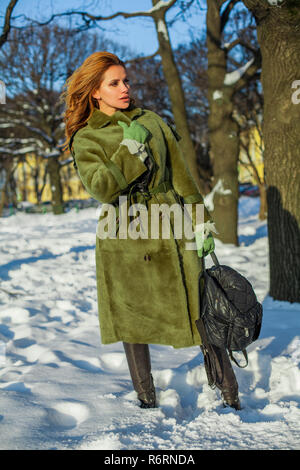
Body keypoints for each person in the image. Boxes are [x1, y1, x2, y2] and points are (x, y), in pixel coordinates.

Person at [61, 51, 241, 411]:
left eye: (126, 81)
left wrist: (201, 219)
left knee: (201, 308)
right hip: (124, 234)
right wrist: (131, 148)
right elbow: (101, 188)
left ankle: (229, 393)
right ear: (95, 92)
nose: (125, 88)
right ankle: (146, 398)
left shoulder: (152, 121)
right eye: (114, 83)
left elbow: (182, 177)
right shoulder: (86, 138)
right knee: (133, 317)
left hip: (173, 228)